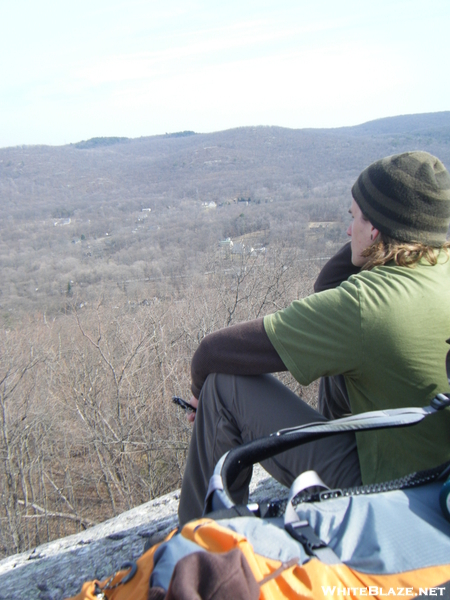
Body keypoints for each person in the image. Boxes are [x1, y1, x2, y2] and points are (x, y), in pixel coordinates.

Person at [178, 151, 450, 526]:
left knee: (223, 387)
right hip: (435, 485)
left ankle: (196, 544)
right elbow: (328, 286)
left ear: (375, 230)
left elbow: (212, 352)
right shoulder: (438, 270)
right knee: (344, 363)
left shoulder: (365, 305)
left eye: (353, 217)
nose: (346, 229)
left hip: (391, 502)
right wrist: (382, 233)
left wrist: (198, 394)